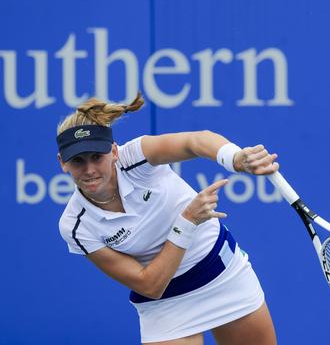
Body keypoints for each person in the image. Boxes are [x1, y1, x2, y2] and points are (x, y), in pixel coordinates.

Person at [56, 93, 278, 345]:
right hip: (164, 303)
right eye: (78, 161)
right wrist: (187, 222)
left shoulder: (136, 156)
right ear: (62, 163)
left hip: (221, 273)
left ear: (114, 152)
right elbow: (149, 285)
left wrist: (235, 158)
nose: (89, 170)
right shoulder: (75, 225)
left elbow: (194, 141)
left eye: (97, 157)